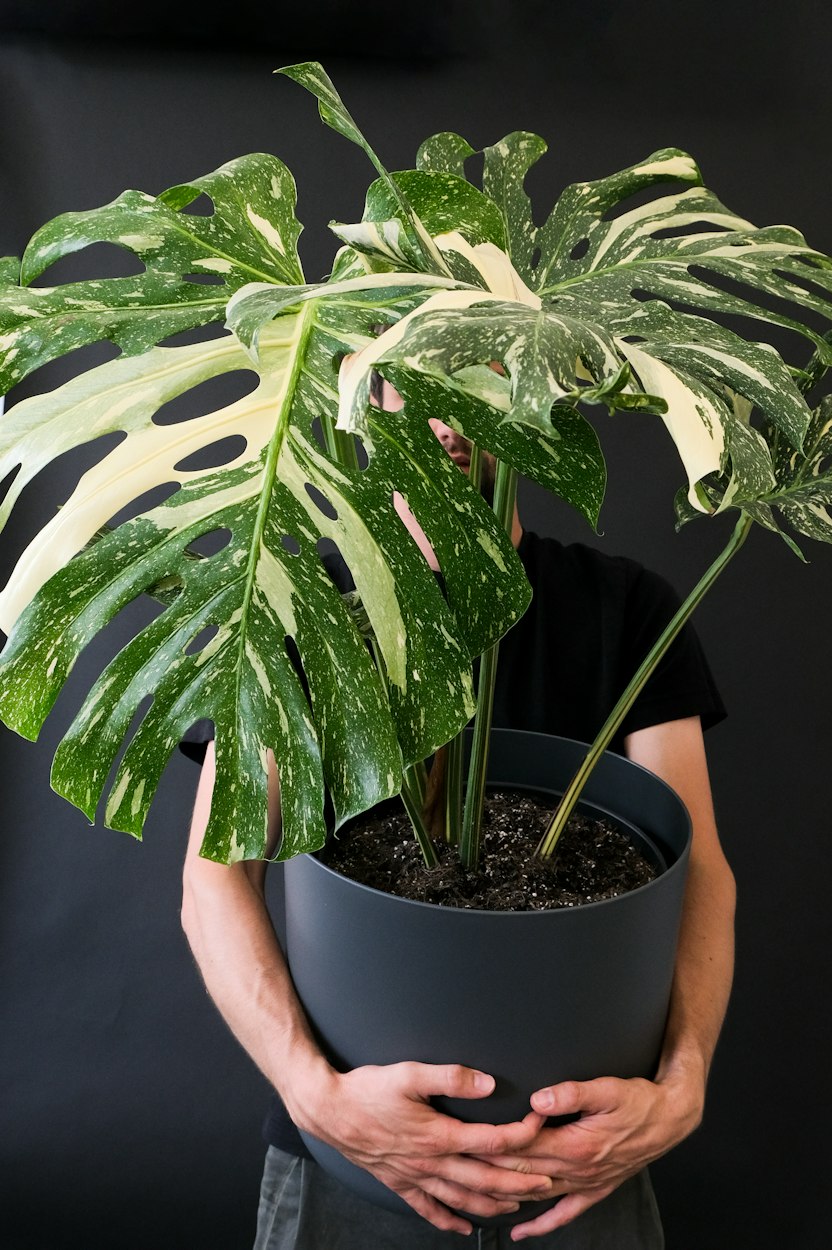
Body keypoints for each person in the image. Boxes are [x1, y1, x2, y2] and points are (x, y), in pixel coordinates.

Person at [180, 371, 736, 1248]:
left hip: (579, 1162)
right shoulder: (295, 609)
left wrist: (683, 1084)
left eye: (477, 379)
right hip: (352, 1153)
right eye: (416, 381)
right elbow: (216, 875)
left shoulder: (625, 608)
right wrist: (313, 1093)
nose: (447, 417)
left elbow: (696, 867)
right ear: (363, 394)